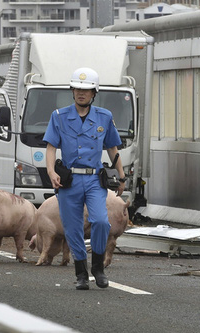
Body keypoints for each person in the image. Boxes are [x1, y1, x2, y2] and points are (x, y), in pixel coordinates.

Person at [43, 67, 127, 291]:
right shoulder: (59, 116)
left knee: (100, 221)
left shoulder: (105, 116)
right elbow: (51, 148)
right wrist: (51, 171)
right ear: (72, 90)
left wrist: (121, 175)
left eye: (87, 89)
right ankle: (81, 273)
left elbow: (112, 147)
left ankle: (98, 267)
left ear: (94, 93)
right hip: (69, 181)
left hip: (94, 180)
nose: (81, 93)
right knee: (72, 228)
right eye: (78, 88)